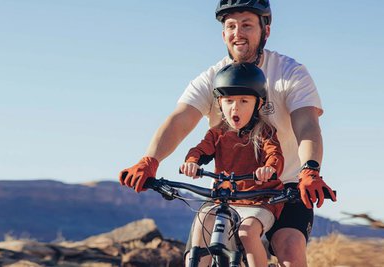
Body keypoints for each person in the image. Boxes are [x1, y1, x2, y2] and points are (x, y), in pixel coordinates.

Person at [119, 1, 336, 266]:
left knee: (290, 249)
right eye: (230, 26)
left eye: (247, 25)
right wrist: (149, 160)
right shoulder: (212, 78)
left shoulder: (289, 73)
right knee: (198, 254)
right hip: (230, 190)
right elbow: (180, 120)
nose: (237, 33)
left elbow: (307, 125)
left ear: (265, 30)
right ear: (223, 34)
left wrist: (310, 168)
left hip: (287, 185)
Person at [182, 62, 283, 267]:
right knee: (203, 220)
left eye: (244, 101)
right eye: (228, 101)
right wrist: (191, 162)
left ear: (259, 104)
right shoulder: (217, 133)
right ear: (220, 103)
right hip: (225, 199)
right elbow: (200, 151)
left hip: (258, 200)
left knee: (247, 232)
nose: (235, 108)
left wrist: (268, 169)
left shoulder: (265, 133)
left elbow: (275, 156)